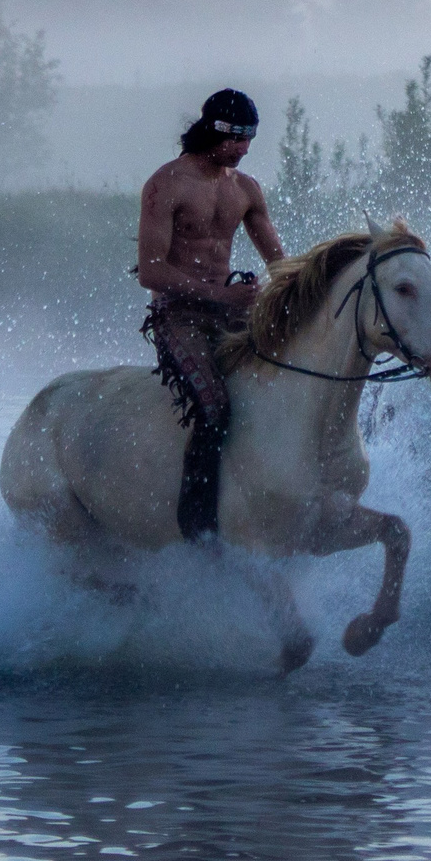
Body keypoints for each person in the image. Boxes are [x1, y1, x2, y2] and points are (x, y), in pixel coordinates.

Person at [136, 88, 285, 540]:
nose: (243, 149)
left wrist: (298, 294)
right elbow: (150, 270)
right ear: (213, 132)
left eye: (249, 141)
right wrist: (220, 295)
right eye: (237, 140)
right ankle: (198, 524)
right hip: (179, 315)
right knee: (216, 408)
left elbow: (279, 263)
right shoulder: (167, 184)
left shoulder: (245, 189)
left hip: (232, 310)